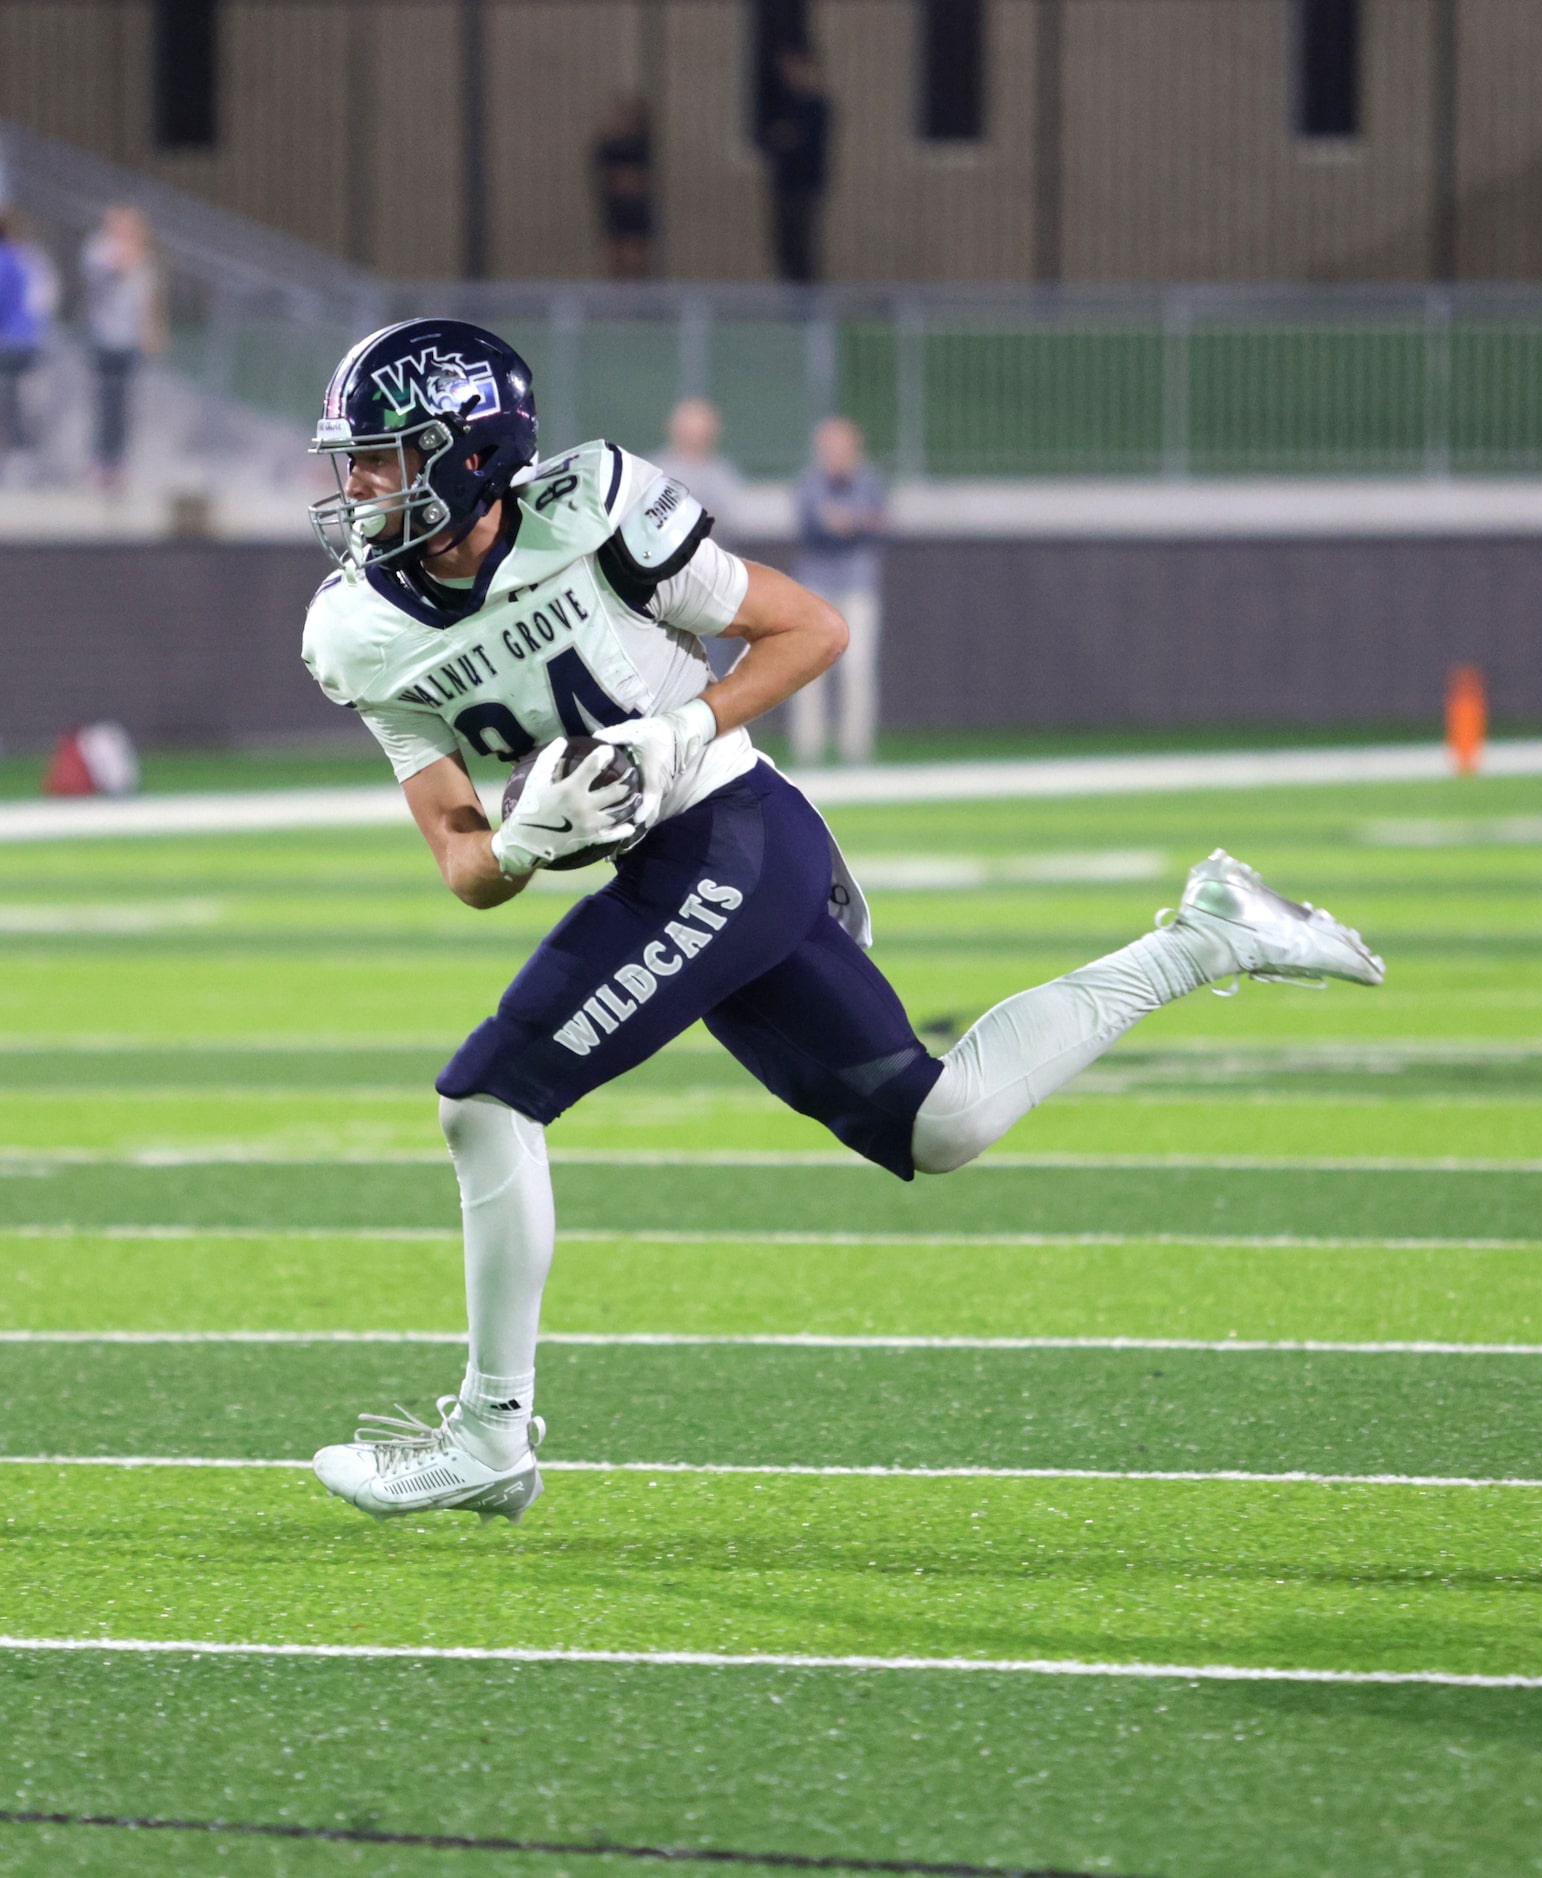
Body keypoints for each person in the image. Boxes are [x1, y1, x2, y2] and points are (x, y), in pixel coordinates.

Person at [296, 318, 1384, 1522]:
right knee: (938, 1124)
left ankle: (490, 1435)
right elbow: (458, 860)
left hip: (726, 832)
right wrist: (514, 846)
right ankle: (1207, 934)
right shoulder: (356, 632)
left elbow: (810, 628)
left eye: (386, 457)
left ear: (472, 454)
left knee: (489, 1097)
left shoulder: (591, 511)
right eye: (354, 461)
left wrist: (679, 732)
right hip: (686, 871)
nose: (357, 487)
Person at [790, 415, 882, 765]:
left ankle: (855, 750)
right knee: (808, 668)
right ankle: (808, 750)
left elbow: (876, 523)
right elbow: (812, 526)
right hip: (815, 587)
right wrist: (845, 522)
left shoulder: (870, 481)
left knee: (856, 667)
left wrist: (846, 521)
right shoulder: (809, 482)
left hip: (858, 586)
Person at [81, 203, 162, 490]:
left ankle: (118, 462)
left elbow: (147, 299)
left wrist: (152, 331)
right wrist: (130, 250)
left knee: (124, 406)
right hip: (104, 337)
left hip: (128, 341)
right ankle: (99, 459)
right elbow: (111, 273)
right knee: (104, 402)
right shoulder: (99, 250)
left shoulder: (144, 261)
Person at [760, 47, 832, 284]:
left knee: (803, 244)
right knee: (784, 246)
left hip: (806, 184)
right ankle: (791, 299)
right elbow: (771, 138)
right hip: (784, 183)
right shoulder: (780, 103)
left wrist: (790, 138)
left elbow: (805, 141)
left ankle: (808, 299)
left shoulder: (816, 106)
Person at [0, 208, 55, 472]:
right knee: (21, 401)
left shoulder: (8, 260)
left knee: (12, 402)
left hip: (12, 341)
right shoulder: (26, 258)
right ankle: (24, 455)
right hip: (29, 339)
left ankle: (18, 456)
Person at [592, 95, 657, 281]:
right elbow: (611, 179)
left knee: (638, 259)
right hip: (617, 210)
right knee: (619, 258)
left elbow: (639, 181)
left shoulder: (644, 146)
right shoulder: (608, 148)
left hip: (638, 210)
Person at [660, 396, 746, 523]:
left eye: (701, 432)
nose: (695, 438)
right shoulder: (656, 471)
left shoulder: (722, 472)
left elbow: (739, 514)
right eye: (689, 432)